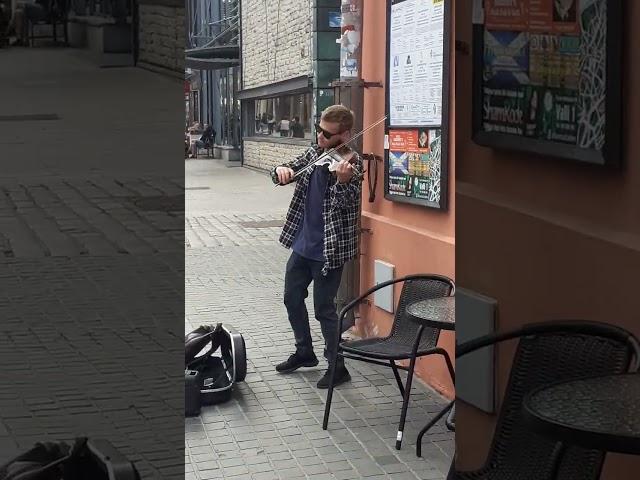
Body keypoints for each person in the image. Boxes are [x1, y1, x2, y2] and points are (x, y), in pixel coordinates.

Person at [270, 105, 363, 389]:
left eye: (326, 134)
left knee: (324, 310)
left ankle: (337, 366)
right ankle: (304, 352)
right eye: (318, 130)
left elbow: (345, 206)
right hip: (302, 245)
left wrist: (343, 182)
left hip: (328, 251)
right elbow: (285, 170)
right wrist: (280, 170)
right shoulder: (313, 154)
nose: (320, 138)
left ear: (344, 135)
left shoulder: (353, 165)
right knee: (291, 298)